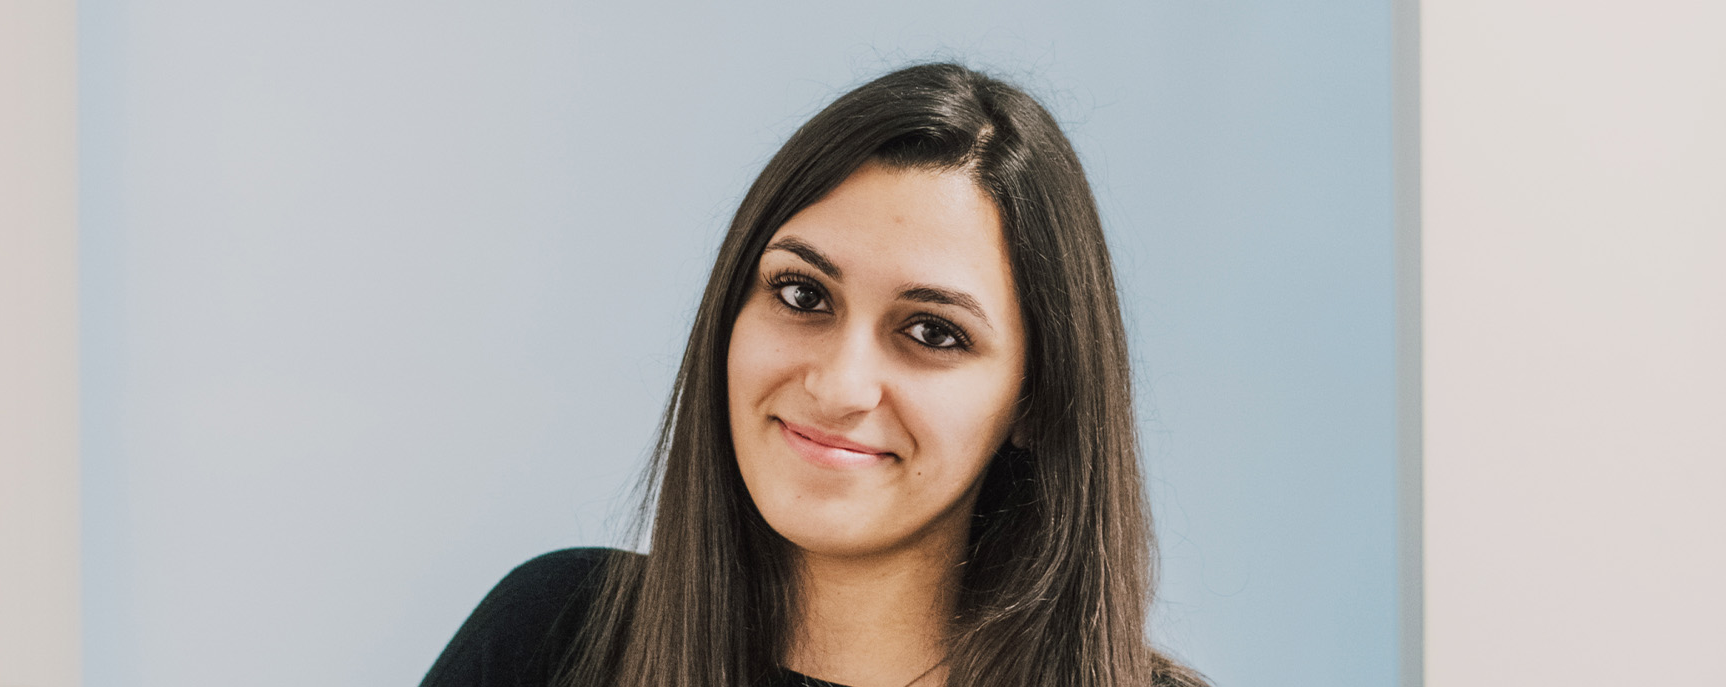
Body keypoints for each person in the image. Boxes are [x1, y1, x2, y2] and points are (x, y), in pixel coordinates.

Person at [422, 62, 1207, 687]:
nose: (838, 386)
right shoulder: (552, 639)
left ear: (1036, 398)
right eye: (802, 295)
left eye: (933, 332)